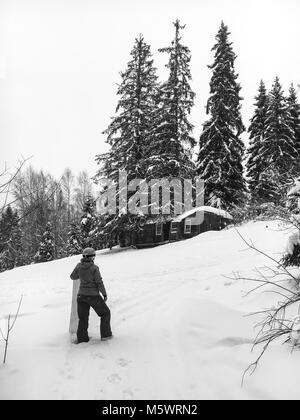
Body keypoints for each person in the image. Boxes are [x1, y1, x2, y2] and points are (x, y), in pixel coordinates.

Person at [70, 247, 113, 343]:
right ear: (92, 257)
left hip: (81, 296)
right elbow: (99, 282)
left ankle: (82, 339)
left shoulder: (78, 266)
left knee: (83, 318)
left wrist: (81, 274)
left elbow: (73, 277)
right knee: (105, 313)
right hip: (93, 296)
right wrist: (104, 294)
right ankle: (106, 335)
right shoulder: (94, 268)